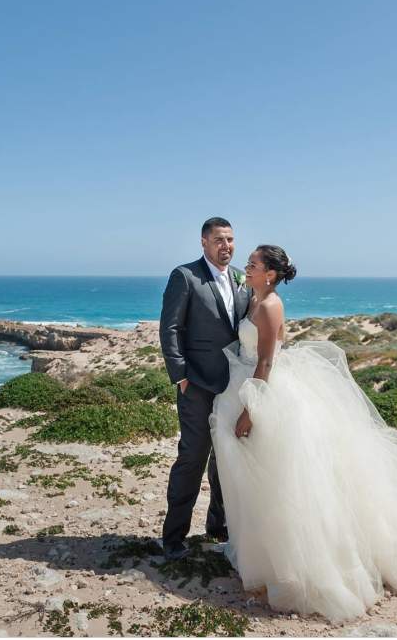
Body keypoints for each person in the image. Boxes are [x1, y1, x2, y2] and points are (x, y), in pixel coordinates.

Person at [209, 244, 397, 623]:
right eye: (247, 263)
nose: (245, 268)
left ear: (270, 273)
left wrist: (251, 409)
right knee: (256, 483)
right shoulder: (254, 299)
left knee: (282, 484)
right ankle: (261, 561)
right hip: (241, 385)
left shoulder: (269, 306)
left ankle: (302, 572)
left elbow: (266, 359)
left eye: (252, 264)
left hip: (261, 394)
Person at [159, 217, 250, 561]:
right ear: (203, 242)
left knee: (226, 458)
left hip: (233, 385)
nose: (225, 246)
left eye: (230, 240)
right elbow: (169, 328)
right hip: (196, 384)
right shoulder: (185, 276)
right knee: (193, 457)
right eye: (218, 240)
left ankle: (218, 526)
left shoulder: (243, 278)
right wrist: (180, 375)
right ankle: (174, 538)